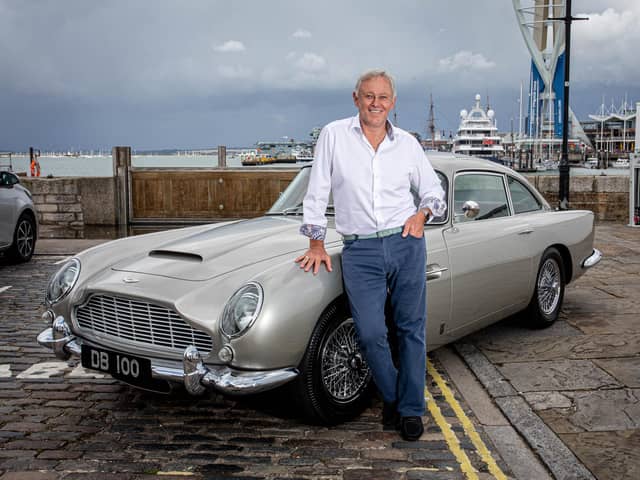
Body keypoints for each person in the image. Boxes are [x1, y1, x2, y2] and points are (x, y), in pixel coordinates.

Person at [295, 69, 446, 441]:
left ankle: (411, 411)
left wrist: (421, 214)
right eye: (368, 96)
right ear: (356, 98)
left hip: (406, 244)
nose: (375, 103)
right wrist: (316, 242)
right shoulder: (333, 136)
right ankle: (395, 397)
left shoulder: (408, 144)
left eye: (382, 97)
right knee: (371, 332)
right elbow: (317, 192)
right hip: (360, 249)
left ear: (392, 102)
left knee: (411, 329)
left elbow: (434, 193)